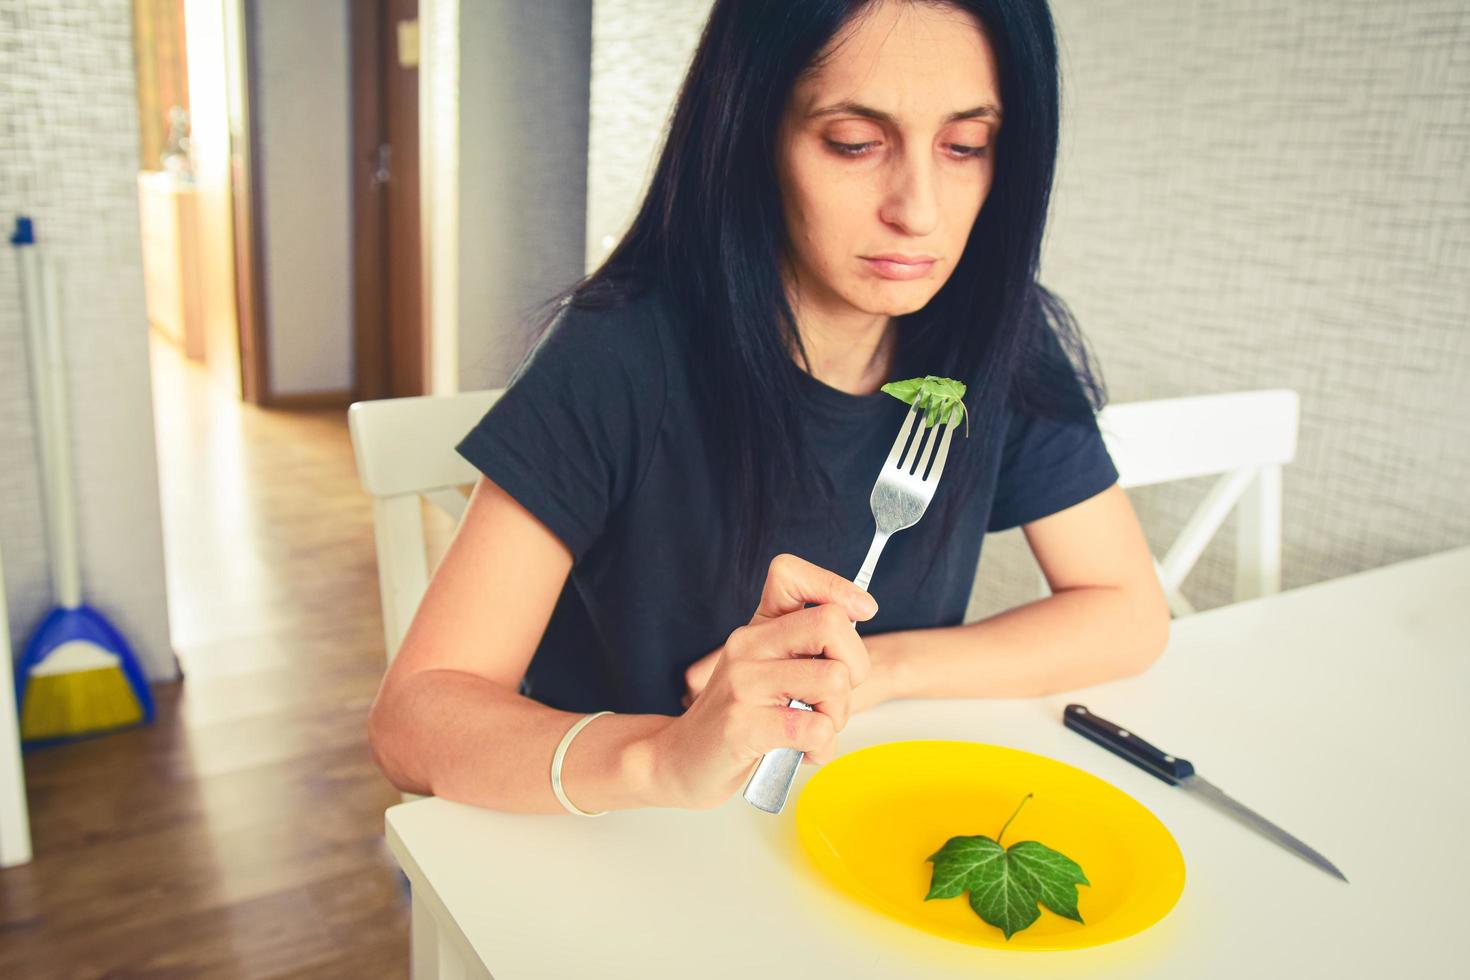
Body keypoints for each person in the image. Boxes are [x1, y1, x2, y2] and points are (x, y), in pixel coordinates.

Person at [368, 0, 1169, 815]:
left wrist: (876, 671)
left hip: (838, 818)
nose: (919, 211)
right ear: (753, 133)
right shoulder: (623, 352)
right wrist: (661, 757)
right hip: (618, 843)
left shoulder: (999, 333)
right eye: (855, 143)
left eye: (966, 147)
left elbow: (1128, 614)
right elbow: (414, 718)